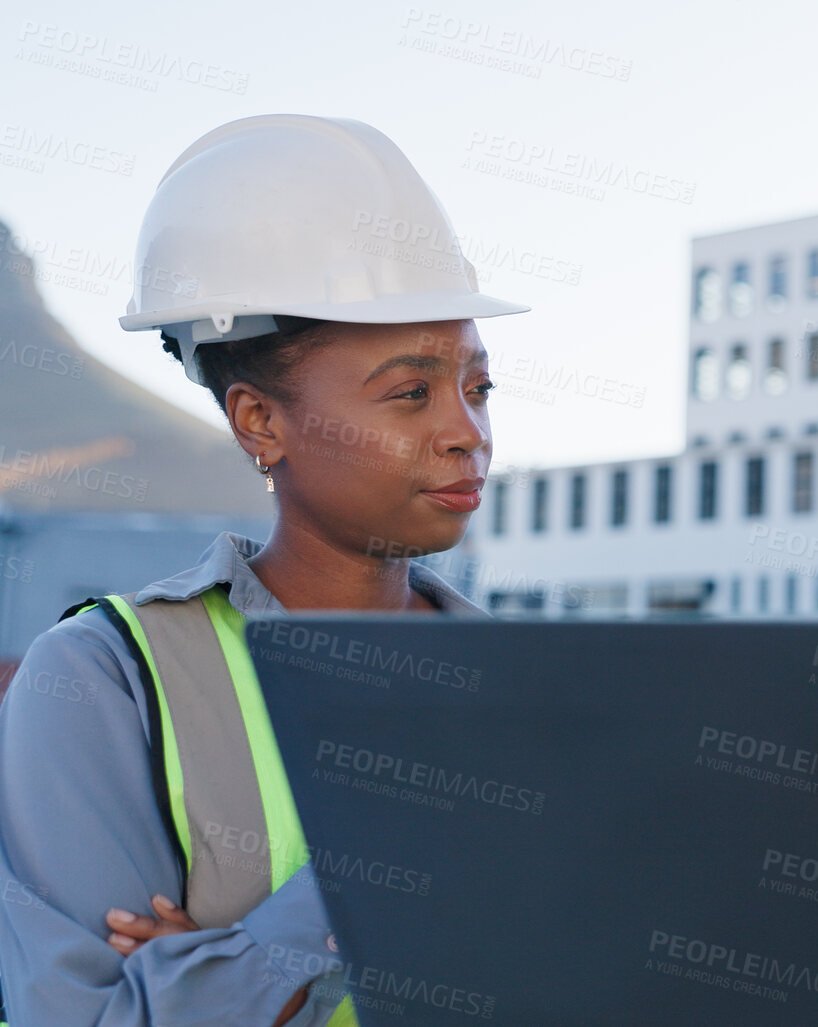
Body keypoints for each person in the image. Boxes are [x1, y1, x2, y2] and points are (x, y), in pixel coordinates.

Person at [0, 114, 525, 1025]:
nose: (465, 432)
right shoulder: (105, 682)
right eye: (411, 392)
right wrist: (378, 867)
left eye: (477, 388)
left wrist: (213, 975)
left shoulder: (536, 685)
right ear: (259, 422)